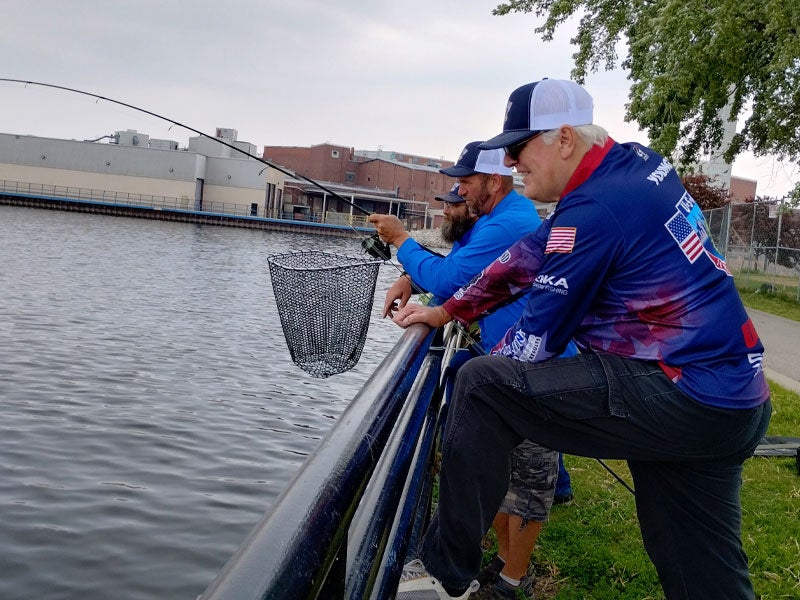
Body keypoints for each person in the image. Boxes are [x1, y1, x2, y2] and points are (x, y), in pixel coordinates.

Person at [392, 79, 771, 600]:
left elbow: (536, 343)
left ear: (564, 139)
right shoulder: (635, 164)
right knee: (701, 572)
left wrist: (477, 370)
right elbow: (527, 259)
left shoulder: (595, 208)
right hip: (735, 399)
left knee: (481, 385)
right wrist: (447, 310)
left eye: (519, 149)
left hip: (680, 391)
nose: (513, 165)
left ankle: (441, 574)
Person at [369, 144, 575, 599]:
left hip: (542, 366)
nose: (457, 189)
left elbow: (450, 280)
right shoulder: (499, 220)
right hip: (509, 363)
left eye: (465, 182)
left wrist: (402, 241)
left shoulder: (512, 222)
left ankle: (509, 582)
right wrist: (411, 278)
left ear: (494, 182)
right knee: (502, 477)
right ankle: (502, 566)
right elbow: (460, 273)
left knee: (528, 480)